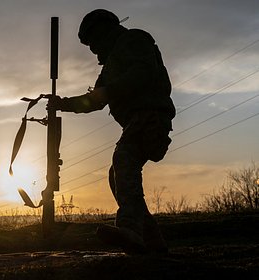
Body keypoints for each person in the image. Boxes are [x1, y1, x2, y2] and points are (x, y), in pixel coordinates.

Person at [49, 9, 175, 254]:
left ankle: (131, 230)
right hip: (135, 121)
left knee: (124, 159)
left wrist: (109, 91)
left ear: (106, 30)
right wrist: (62, 103)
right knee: (117, 175)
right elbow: (94, 101)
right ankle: (151, 240)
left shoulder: (134, 40)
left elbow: (143, 72)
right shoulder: (109, 67)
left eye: (94, 41)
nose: (93, 49)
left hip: (150, 115)